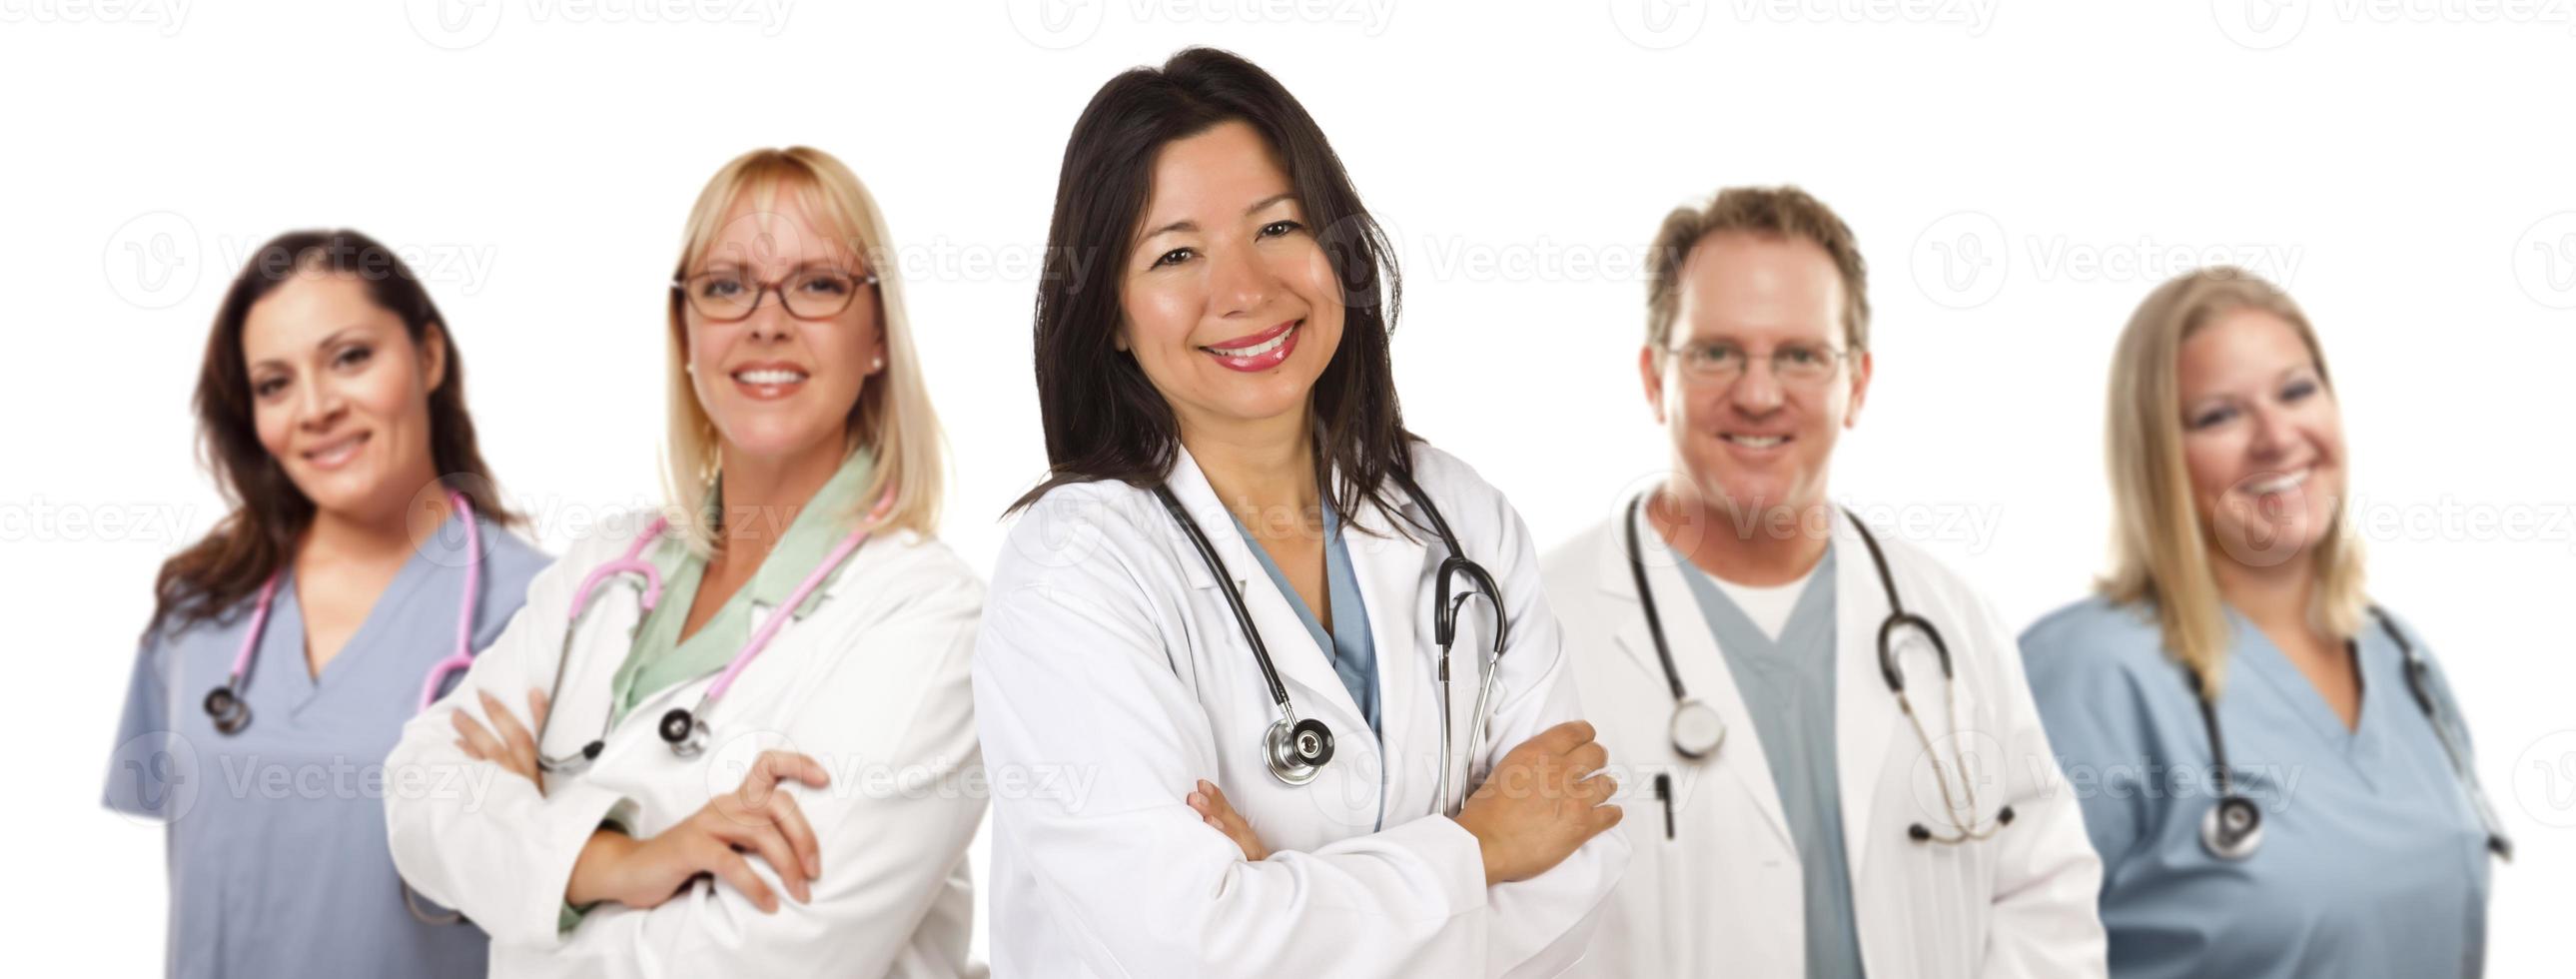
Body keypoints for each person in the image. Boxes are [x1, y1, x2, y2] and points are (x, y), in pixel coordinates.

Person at [973, 48, 1628, 978]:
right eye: (1175, 253)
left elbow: (1576, 863)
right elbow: (1183, 948)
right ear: (1110, 313)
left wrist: (1282, 895)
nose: (1244, 290)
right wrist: (1477, 849)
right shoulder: (1075, 570)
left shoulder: (1458, 517)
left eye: (1276, 226)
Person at [383, 147, 986, 976]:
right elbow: (417, 792)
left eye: (815, 284)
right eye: (727, 285)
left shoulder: (931, 619)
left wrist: (523, 868)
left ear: (876, 334)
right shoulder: (606, 567)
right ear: (686, 331)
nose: (765, 321)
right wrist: (619, 865)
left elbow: (774, 958)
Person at [1540, 186, 2108, 977]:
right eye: (1715, 352)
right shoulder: (1540, 630)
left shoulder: (1947, 618)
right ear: (1652, 376)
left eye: (1801, 355)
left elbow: (2044, 896)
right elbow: (1497, 929)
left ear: (1858, 383)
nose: (1759, 393)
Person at [2019, 267, 2506, 978]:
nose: (2277, 439)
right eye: (2219, 415)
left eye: (2296, 391)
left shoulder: (2402, 660)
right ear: (2158, 457)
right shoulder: (2088, 677)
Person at [105, 229, 550, 978]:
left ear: (428, 357)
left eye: (350, 357)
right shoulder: (196, 611)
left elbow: (590, 896)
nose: (315, 408)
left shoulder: (546, 613)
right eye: (274, 384)